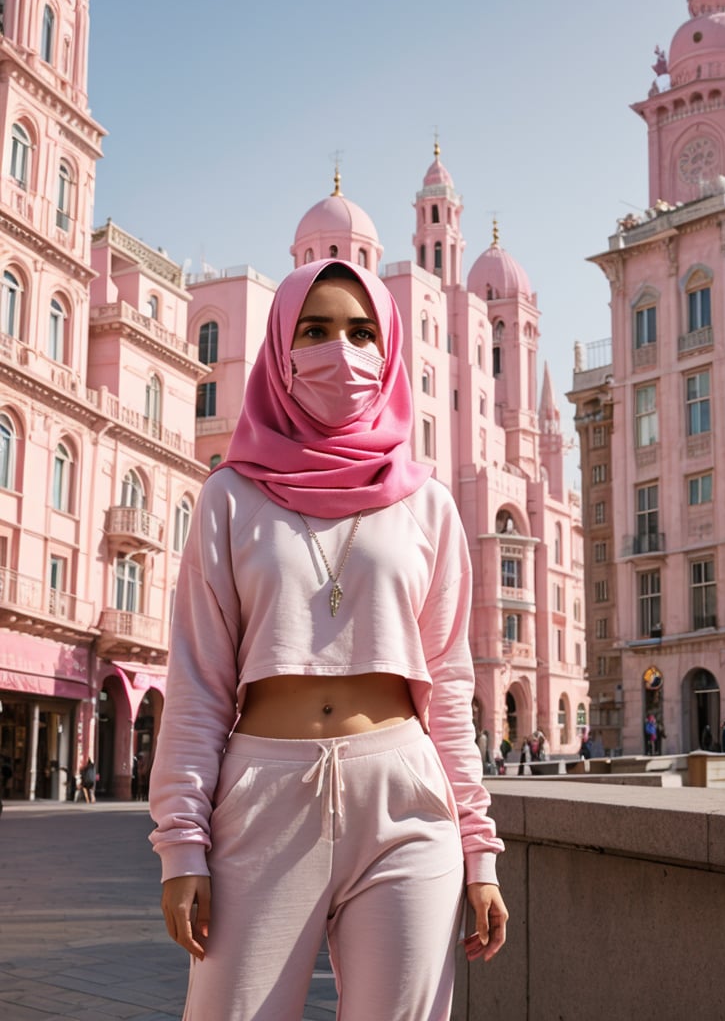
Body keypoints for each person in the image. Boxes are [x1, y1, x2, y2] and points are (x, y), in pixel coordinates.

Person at [148, 259, 508, 1021]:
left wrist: (480, 849)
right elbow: (199, 684)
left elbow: (447, 686)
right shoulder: (229, 496)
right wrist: (181, 844)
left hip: (406, 799)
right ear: (281, 345)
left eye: (360, 331)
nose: (339, 350)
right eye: (314, 330)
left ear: (389, 350)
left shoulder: (430, 505)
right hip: (262, 799)